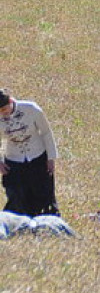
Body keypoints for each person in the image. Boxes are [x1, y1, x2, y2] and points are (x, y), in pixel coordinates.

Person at [0, 88, 59, 217]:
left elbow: (46, 132)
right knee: (16, 194)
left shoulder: (31, 109)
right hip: (14, 159)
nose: (3, 114)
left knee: (43, 192)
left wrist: (51, 157)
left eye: (4, 110)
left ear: (10, 101)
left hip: (38, 155)